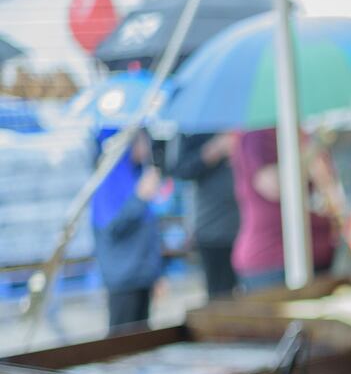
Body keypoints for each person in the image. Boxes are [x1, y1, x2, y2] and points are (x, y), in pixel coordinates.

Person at [230, 127, 337, 291]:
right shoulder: (257, 135)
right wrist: (311, 152)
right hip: (274, 260)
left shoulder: (302, 135)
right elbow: (273, 184)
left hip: (316, 253)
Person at [91, 128, 164, 331]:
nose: (147, 146)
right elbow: (112, 227)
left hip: (142, 277)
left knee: (140, 340)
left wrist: (156, 273)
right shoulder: (109, 179)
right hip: (123, 279)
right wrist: (140, 197)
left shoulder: (136, 174)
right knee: (121, 342)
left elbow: (149, 229)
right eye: (142, 139)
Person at [165, 131, 239, 299]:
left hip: (248, 224)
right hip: (214, 228)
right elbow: (180, 169)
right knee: (220, 297)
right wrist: (214, 149)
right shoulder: (192, 127)